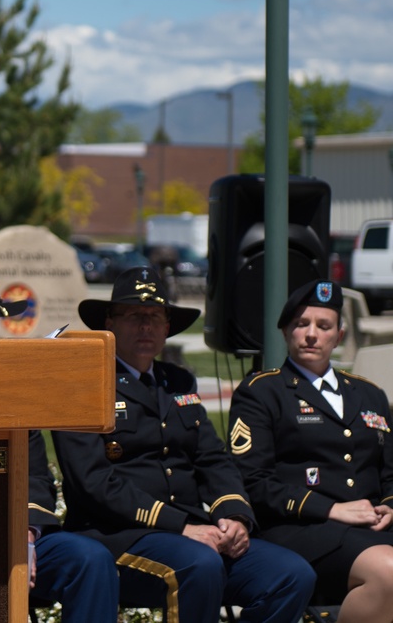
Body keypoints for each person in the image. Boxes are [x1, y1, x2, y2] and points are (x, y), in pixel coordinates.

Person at [49, 266, 315, 623]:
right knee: (199, 565)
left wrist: (233, 515)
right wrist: (180, 526)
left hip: (192, 534)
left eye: (156, 317)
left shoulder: (177, 381)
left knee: (290, 575)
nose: (146, 326)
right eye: (134, 316)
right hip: (115, 538)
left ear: (167, 328)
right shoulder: (81, 384)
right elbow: (92, 482)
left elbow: (212, 459)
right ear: (109, 324)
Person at [0, 264, 120, 622]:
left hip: (17, 529)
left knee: (89, 560)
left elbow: (37, 479)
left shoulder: (15, 390)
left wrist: (25, 534)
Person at [229, 279, 393, 622]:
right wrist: (333, 509)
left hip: (371, 529)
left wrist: (390, 508)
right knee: (389, 571)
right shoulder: (262, 392)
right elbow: (253, 481)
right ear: (286, 331)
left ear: (340, 335)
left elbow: (390, 473)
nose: (311, 335)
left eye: (323, 326)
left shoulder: (370, 395)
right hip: (302, 529)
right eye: (301, 324)